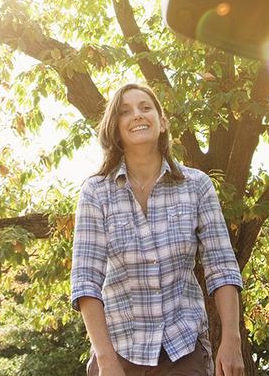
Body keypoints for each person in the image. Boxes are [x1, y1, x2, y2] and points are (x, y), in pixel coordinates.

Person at [70, 83, 245, 376]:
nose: (137, 115)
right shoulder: (95, 192)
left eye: (145, 107)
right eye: (125, 111)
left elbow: (222, 268)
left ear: (162, 122)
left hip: (184, 349)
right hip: (119, 350)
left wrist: (231, 340)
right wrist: (106, 360)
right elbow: (86, 281)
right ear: (115, 128)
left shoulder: (197, 185)